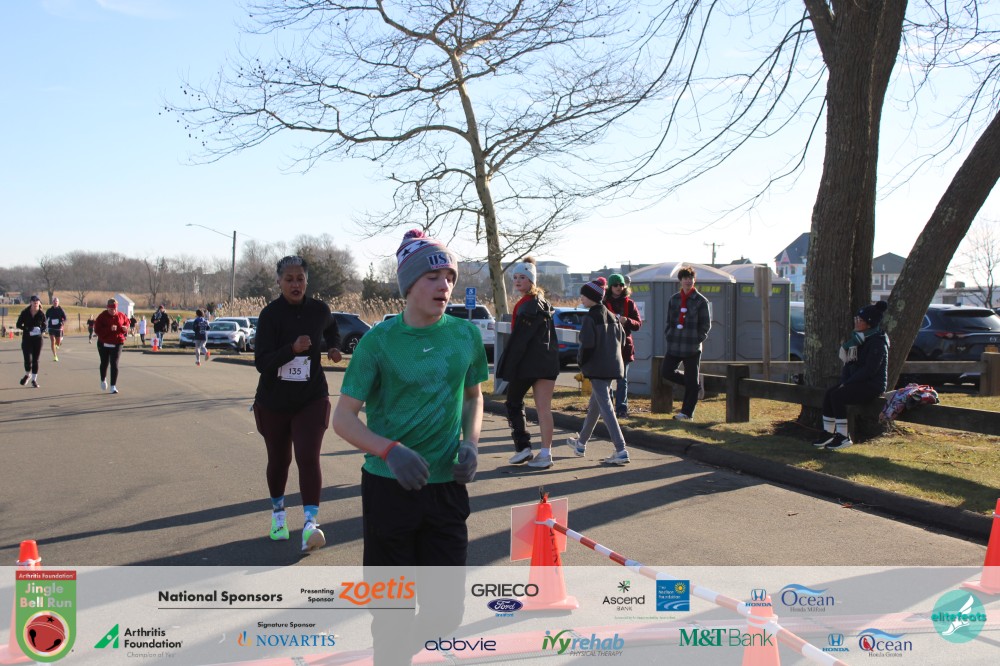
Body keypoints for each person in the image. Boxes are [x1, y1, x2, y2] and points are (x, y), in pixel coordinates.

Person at [332, 229, 486, 665]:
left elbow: (473, 396)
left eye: (450, 277)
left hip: (445, 490)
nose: (444, 286)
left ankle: (398, 654)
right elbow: (343, 419)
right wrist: (389, 451)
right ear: (409, 285)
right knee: (392, 613)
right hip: (388, 491)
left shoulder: (465, 336)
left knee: (446, 614)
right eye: (432, 277)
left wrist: (472, 444)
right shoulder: (378, 342)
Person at [252, 255, 342, 552]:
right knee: (279, 461)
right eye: (289, 279)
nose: (295, 284)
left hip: (311, 397)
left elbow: (331, 328)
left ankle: (310, 524)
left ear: (307, 281)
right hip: (274, 401)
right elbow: (262, 362)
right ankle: (278, 515)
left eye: (300, 279)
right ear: (279, 282)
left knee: (308, 456)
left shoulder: (319, 310)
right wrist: (291, 349)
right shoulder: (270, 315)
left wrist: (334, 347)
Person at [494, 257, 560, 469]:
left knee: (513, 402)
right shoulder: (544, 303)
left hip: (527, 364)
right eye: (515, 277)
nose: (517, 281)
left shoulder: (525, 305)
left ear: (531, 280)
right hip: (547, 362)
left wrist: (509, 365)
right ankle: (546, 454)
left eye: (522, 277)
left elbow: (520, 340)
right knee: (544, 409)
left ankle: (523, 447)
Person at [812, 301, 890, 451]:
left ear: (869, 324)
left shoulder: (878, 342)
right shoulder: (856, 341)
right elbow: (849, 365)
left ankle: (843, 436)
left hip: (872, 385)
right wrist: (845, 381)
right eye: (856, 319)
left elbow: (870, 370)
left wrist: (847, 384)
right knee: (830, 393)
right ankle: (828, 433)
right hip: (856, 382)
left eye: (860, 320)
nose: (856, 322)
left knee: (838, 396)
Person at [661, 265, 711, 420]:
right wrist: (669, 334)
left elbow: (706, 324)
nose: (688, 281)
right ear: (680, 281)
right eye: (685, 278)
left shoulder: (701, 301)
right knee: (666, 371)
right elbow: (669, 321)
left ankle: (687, 413)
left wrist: (697, 338)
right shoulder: (674, 299)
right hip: (674, 344)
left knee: (691, 379)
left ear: (694, 280)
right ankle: (694, 386)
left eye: (691, 278)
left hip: (692, 347)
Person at [603, 273, 642, 417]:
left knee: (622, 380)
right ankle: (608, 407)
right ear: (610, 287)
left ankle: (621, 409)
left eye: (621, 285)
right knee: (607, 379)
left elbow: (638, 324)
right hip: (608, 346)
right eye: (615, 285)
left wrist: (627, 321)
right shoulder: (604, 304)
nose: (619, 287)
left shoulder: (630, 303)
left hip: (625, 347)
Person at [94, 298, 130, 394]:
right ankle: (103, 379)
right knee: (104, 363)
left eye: (114, 309)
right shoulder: (102, 317)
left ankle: (113, 386)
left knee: (114, 364)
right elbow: (97, 330)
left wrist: (125, 328)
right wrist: (109, 329)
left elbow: (127, 322)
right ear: (107, 308)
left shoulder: (121, 315)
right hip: (104, 343)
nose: (113, 311)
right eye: (111, 309)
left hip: (117, 342)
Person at [15, 295, 46, 388]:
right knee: (28, 360)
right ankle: (27, 374)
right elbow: (18, 324)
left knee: (36, 360)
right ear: (30, 302)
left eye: (37, 302)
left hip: (38, 339)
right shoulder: (25, 313)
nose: (35, 303)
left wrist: (42, 330)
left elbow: (44, 325)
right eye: (34, 301)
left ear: (39, 303)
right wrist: (27, 328)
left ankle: (34, 380)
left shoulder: (41, 314)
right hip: (27, 339)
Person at [45, 297, 68, 362]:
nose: (55, 302)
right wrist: (45, 324)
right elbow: (46, 318)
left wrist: (62, 322)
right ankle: (55, 356)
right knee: (52, 341)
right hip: (51, 327)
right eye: (54, 301)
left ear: (58, 302)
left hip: (58, 328)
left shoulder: (61, 310)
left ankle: (57, 344)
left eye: (57, 301)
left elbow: (65, 318)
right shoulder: (49, 310)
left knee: (58, 342)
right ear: (52, 302)